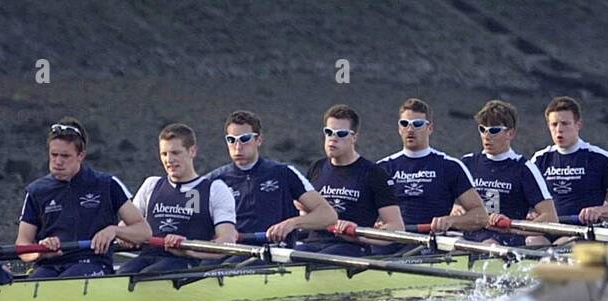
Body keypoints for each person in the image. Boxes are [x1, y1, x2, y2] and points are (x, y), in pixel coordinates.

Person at [16, 118, 151, 279]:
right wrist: (40, 251)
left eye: (65, 156)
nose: (58, 161)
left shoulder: (106, 184)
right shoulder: (36, 191)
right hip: (49, 265)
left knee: (68, 280)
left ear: (81, 155)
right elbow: (22, 245)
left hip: (92, 262)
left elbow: (144, 231)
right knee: (38, 279)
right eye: (54, 155)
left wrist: (114, 230)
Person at [118, 123, 238, 274]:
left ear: (192, 151)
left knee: (148, 276)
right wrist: (122, 232)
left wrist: (188, 249)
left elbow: (227, 242)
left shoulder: (215, 189)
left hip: (187, 261)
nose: (169, 160)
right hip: (149, 256)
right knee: (121, 273)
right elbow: (128, 225)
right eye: (164, 154)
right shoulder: (151, 185)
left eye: (176, 153)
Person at [204, 110, 337, 242]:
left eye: (245, 139)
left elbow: (328, 215)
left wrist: (292, 223)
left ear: (259, 140)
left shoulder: (284, 173)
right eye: (231, 140)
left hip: (274, 251)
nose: (238, 147)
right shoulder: (213, 180)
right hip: (232, 249)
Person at [301, 104, 405, 256]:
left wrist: (357, 233)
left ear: (354, 137)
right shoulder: (316, 168)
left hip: (351, 247)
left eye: (341, 133)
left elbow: (396, 228)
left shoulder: (374, 174)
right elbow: (304, 213)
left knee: (323, 257)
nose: (333, 139)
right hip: (313, 243)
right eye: (329, 132)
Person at [377, 98, 488, 233]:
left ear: (430, 128)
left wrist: (450, 221)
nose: (410, 129)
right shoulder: (382, 168)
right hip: (391, 242)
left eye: (417, 124)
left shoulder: (449, 166)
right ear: (399, 128)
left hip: (431, 244)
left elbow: (481, 215)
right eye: (405, 123)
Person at [457, 99, 555, 247]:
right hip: (471, 236)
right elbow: (445, 203)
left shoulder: (524, 168)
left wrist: (511, 225)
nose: (486, 136)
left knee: (489, 244)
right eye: (482, 129)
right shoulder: (467, 163)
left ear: (510, 133)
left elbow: (551, 218)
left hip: (508, 239)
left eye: (494, 130)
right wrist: (454, 208)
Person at [531, 96, 608, 225]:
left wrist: (599, 211)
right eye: (554, 124)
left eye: (565, 123)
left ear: (578, 125)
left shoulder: (601, 159)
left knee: (561, 244)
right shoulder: (539, 159)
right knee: (532, 241)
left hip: (581, 232)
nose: (559, 130)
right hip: (547, 228)